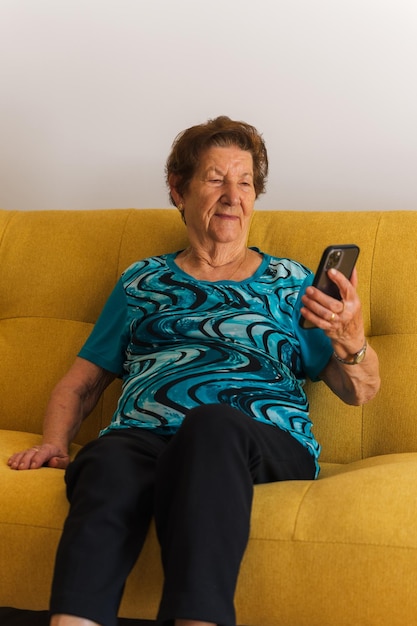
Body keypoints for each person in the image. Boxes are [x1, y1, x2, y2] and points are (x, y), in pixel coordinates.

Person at [8, 116, 380, 626]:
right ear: (178, 190)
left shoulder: (290, 284)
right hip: (147, 437)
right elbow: (82, 381)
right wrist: (54, 442)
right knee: (107, 458)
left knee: (211, 424)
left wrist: (351, 339)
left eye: (245, 182)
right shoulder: (143, 280)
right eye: (215, 179)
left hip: (260, 438)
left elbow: (360, 392)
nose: (233, 195)